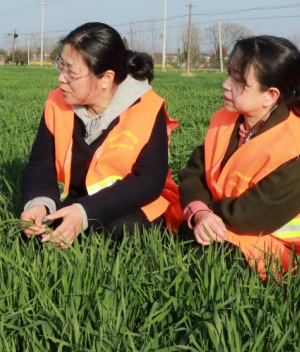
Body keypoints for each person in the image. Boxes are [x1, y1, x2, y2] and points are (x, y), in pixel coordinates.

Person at [178, 35, 300, 275]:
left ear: (270, 95)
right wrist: (199, 212)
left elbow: (251, 216)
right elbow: (194, 173)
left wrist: (201, 213)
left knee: (204, 251)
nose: (225, 84)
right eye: (229, 74)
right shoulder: (226, 120)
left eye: (238, 80)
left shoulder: (296, 154)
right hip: (227, 224)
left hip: (292, 253)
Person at [20, 22, 182, 247]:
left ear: (106, 78)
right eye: (61, 66)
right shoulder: (57, 102)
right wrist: (39, 204)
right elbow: (40, 164)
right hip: (76, 203)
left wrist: (85, 212)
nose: (61, 78)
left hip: (134, 205)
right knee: (36, 234)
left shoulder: (147, 109)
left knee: (121, 230)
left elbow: (148, 182)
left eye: (72, 72)